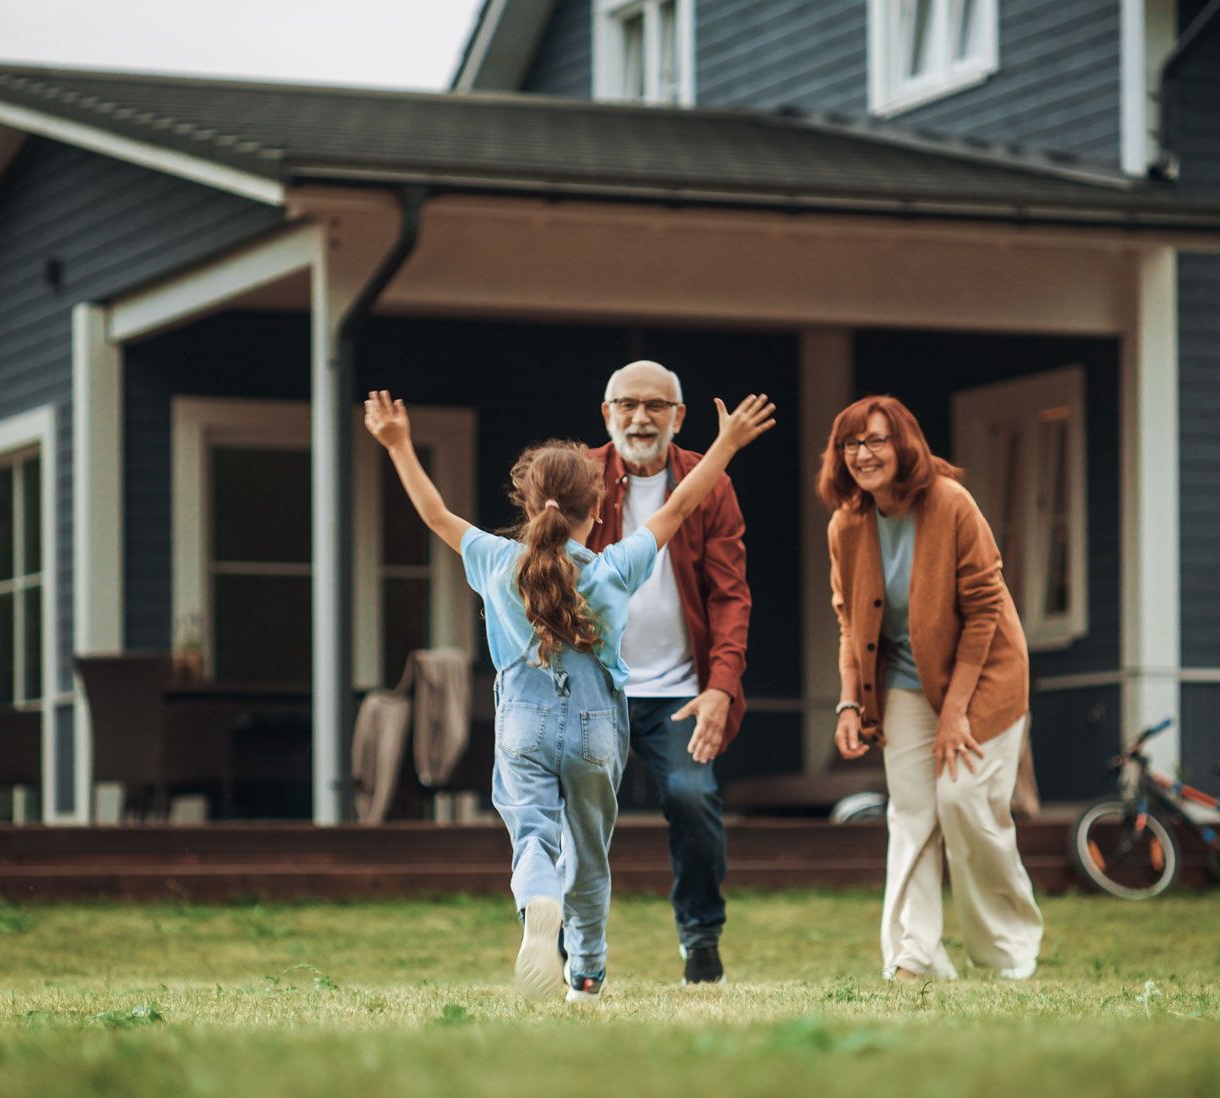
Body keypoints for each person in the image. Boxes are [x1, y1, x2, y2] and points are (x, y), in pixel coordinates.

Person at [363, 389, 775, 1003]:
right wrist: (728, 444)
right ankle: (585, 974)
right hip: (594, 729)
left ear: (527, 503)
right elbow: (684, 503)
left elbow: (434, 513)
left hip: (522, 724)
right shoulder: (613, 569)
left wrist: (397, 444)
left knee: (533, 835)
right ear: (600, 505)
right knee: (588, 851)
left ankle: (538, 903)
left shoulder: (495, 560)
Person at [819, 395, 1044, 982]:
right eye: (851, 444)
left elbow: (985, 608)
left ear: (905, 444)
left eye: (876, 440)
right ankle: (916, 953)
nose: (863, 454)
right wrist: (849, 700)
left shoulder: (950, 503)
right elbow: (851, 621)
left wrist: (956, 713)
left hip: (988, 676)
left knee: (966, 802)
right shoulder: (847, 524)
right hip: (903, 683)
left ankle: (1006, 950)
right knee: (913, 812)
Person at [586, 361, 749, 986]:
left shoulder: (708, 484)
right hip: (597, 687)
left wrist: (719, 687)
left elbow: (731, 596)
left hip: (680, 690)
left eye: (656, 406)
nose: (640, 417)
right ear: (607, 414)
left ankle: (701, 937)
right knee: (578, 812)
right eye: (626, 404)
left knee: (692, 797)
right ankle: (574, 947)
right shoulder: (582, 475)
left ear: (679, 417)